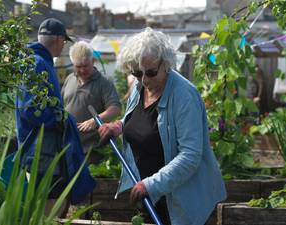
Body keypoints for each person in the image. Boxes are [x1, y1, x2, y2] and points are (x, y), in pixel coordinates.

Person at [97, 28, 226, 225]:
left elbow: (190, 156)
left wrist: (150, 185)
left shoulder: (184, 96)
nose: (144, 79)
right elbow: (139, 120)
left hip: (180, 200)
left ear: (165, 64)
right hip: (152, 196)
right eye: (137, 73)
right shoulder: (140, 88)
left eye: (150, 72)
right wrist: (118, 126)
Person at [15, 18, 96, 216]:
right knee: (50, 209)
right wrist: (59, 119)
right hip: (41, 152)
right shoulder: (37, 63)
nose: (63, 46)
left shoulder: (38, 61)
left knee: (55, 204)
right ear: (59, 39)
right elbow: (31, 109)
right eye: (64, 42)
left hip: (45, 150)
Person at [62, 41, 121, 163]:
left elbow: (115, 108)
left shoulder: (103, 82)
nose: (82, 70)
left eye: (85, 66)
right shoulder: (70, 79)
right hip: (69, 146)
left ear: (93, 61)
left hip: (92, 150)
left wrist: (95, 121)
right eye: (78, 67)